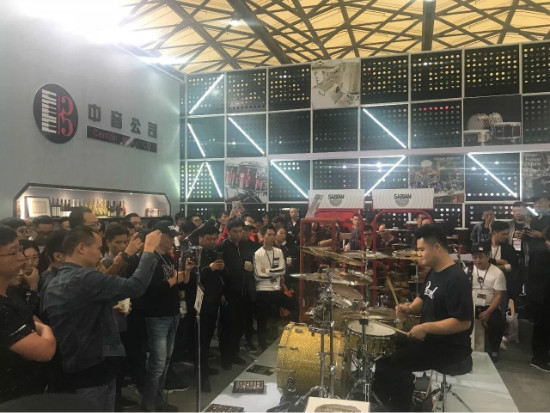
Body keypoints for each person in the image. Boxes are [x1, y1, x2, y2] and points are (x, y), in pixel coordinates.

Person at [42, 227, 163, 412]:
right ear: (81, 247)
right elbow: (135, 286)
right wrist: (148, 251)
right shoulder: (83, 276)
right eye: (98, 248)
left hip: (80, 364)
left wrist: (108, 309)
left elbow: (80, 313)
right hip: (93, 364)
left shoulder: (57, 280)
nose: (100, 255)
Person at [373, 225, 473, 412]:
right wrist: (410, 308)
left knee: (393, 364)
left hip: (449, 347)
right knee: (387, 347)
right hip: (431, 340)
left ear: (437, 247)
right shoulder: (434, 272)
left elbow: (463, 322)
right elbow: (424, 297)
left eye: (421, 249)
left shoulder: (457, 279)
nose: (418, 254)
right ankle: (393, 398)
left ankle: (399, 407)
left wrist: (425, 327)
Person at [140, 221, 192, 412]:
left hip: (172, 313)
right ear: (159, 236)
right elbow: (149, 289)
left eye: (174, 236)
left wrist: (185, 272)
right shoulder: (150, 258)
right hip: (157, 316)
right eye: (169, 236)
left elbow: (179, 283)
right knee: (157, 364)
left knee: (166, 361)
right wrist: (174, 279)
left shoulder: (168, 257)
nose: (173, 240)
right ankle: (149, 404)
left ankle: (158, 400)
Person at [0, 225, 56, 403]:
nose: (21, 257)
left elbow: (32, 319)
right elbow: (45, 350)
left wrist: (37, 327)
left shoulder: (10, 292)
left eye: (20, 250)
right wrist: (46, 329)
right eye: (13, 252)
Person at [183, 224, 225, 392]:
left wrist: (222, 269)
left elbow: (221, 277)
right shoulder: (192, 253)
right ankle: (201, 375)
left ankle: (204, 366)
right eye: (209, 239)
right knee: (199, 339)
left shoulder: (213, 253)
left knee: (207, 338)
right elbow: (191, 278)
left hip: (213, 301)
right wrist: (210, 268)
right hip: (198, 303)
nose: (212, 242)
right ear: (200, 237)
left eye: (215, 239)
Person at [216, 218, 249, 370]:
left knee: (239, 325)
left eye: (240, 231)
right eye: (235, 231)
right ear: (228, 231)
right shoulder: (222, 247)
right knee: (227, 326)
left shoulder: (243, 246)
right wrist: (221, 292)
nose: (238, 234)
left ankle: (235, 353)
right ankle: (225, 357)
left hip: (242, 291)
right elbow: (218, 273)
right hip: (227, 293)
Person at [253, 225, 290, 351]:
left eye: (273, 235)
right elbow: (258, 275)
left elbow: (283, 269)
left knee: (291, 307)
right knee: (262, 318)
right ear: (262, 236)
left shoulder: (279, 251)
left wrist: (267, 271)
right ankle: (262, 343)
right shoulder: (258, 253)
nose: (272, 237)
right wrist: (275, 272)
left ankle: (279, 336)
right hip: (262, 289)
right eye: (269, 235)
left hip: (276, 288)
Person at [469, 244, 507, 362]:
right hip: (471, 305)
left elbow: (498, 296)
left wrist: (488, 312)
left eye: (480, 257)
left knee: (497, 323)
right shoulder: (468, 271)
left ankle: (494, 349)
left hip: (489, 306)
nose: (477, 260)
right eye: (474, 257)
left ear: (487, 256)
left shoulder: (497, 273)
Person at [525, 227, 550, 372]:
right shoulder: (541, 252)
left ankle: (544, 355)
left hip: (544, 295)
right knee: (542, 327)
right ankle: (538, 358)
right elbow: (537, 276)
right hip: (541, 297)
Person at [488, 220, 520, 302]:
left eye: (507, 234)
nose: (506, 237)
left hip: (503, 285)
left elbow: (513, 267)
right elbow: (481, 264)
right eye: (503, 234)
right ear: (494, 233)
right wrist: (500, 262)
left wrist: (491, 266)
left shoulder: (509, 249)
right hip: (486, 284)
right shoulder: (484, 247)